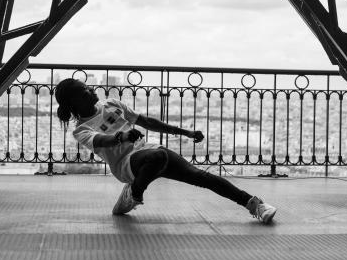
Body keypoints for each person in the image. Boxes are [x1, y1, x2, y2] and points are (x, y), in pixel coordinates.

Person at [54, 78, 277, 223]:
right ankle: (134, 193)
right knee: (158, 156)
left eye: (88, 87)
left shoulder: (112, 103)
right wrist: (122, 136)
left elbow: (148, 122)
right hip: (126, 165)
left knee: (201, 177)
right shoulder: (81, 130)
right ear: (73, 104)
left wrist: (186, 133)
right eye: (84, 92)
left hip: (149, 152)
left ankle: (254, 204)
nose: (91, 91)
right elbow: (102, 140)